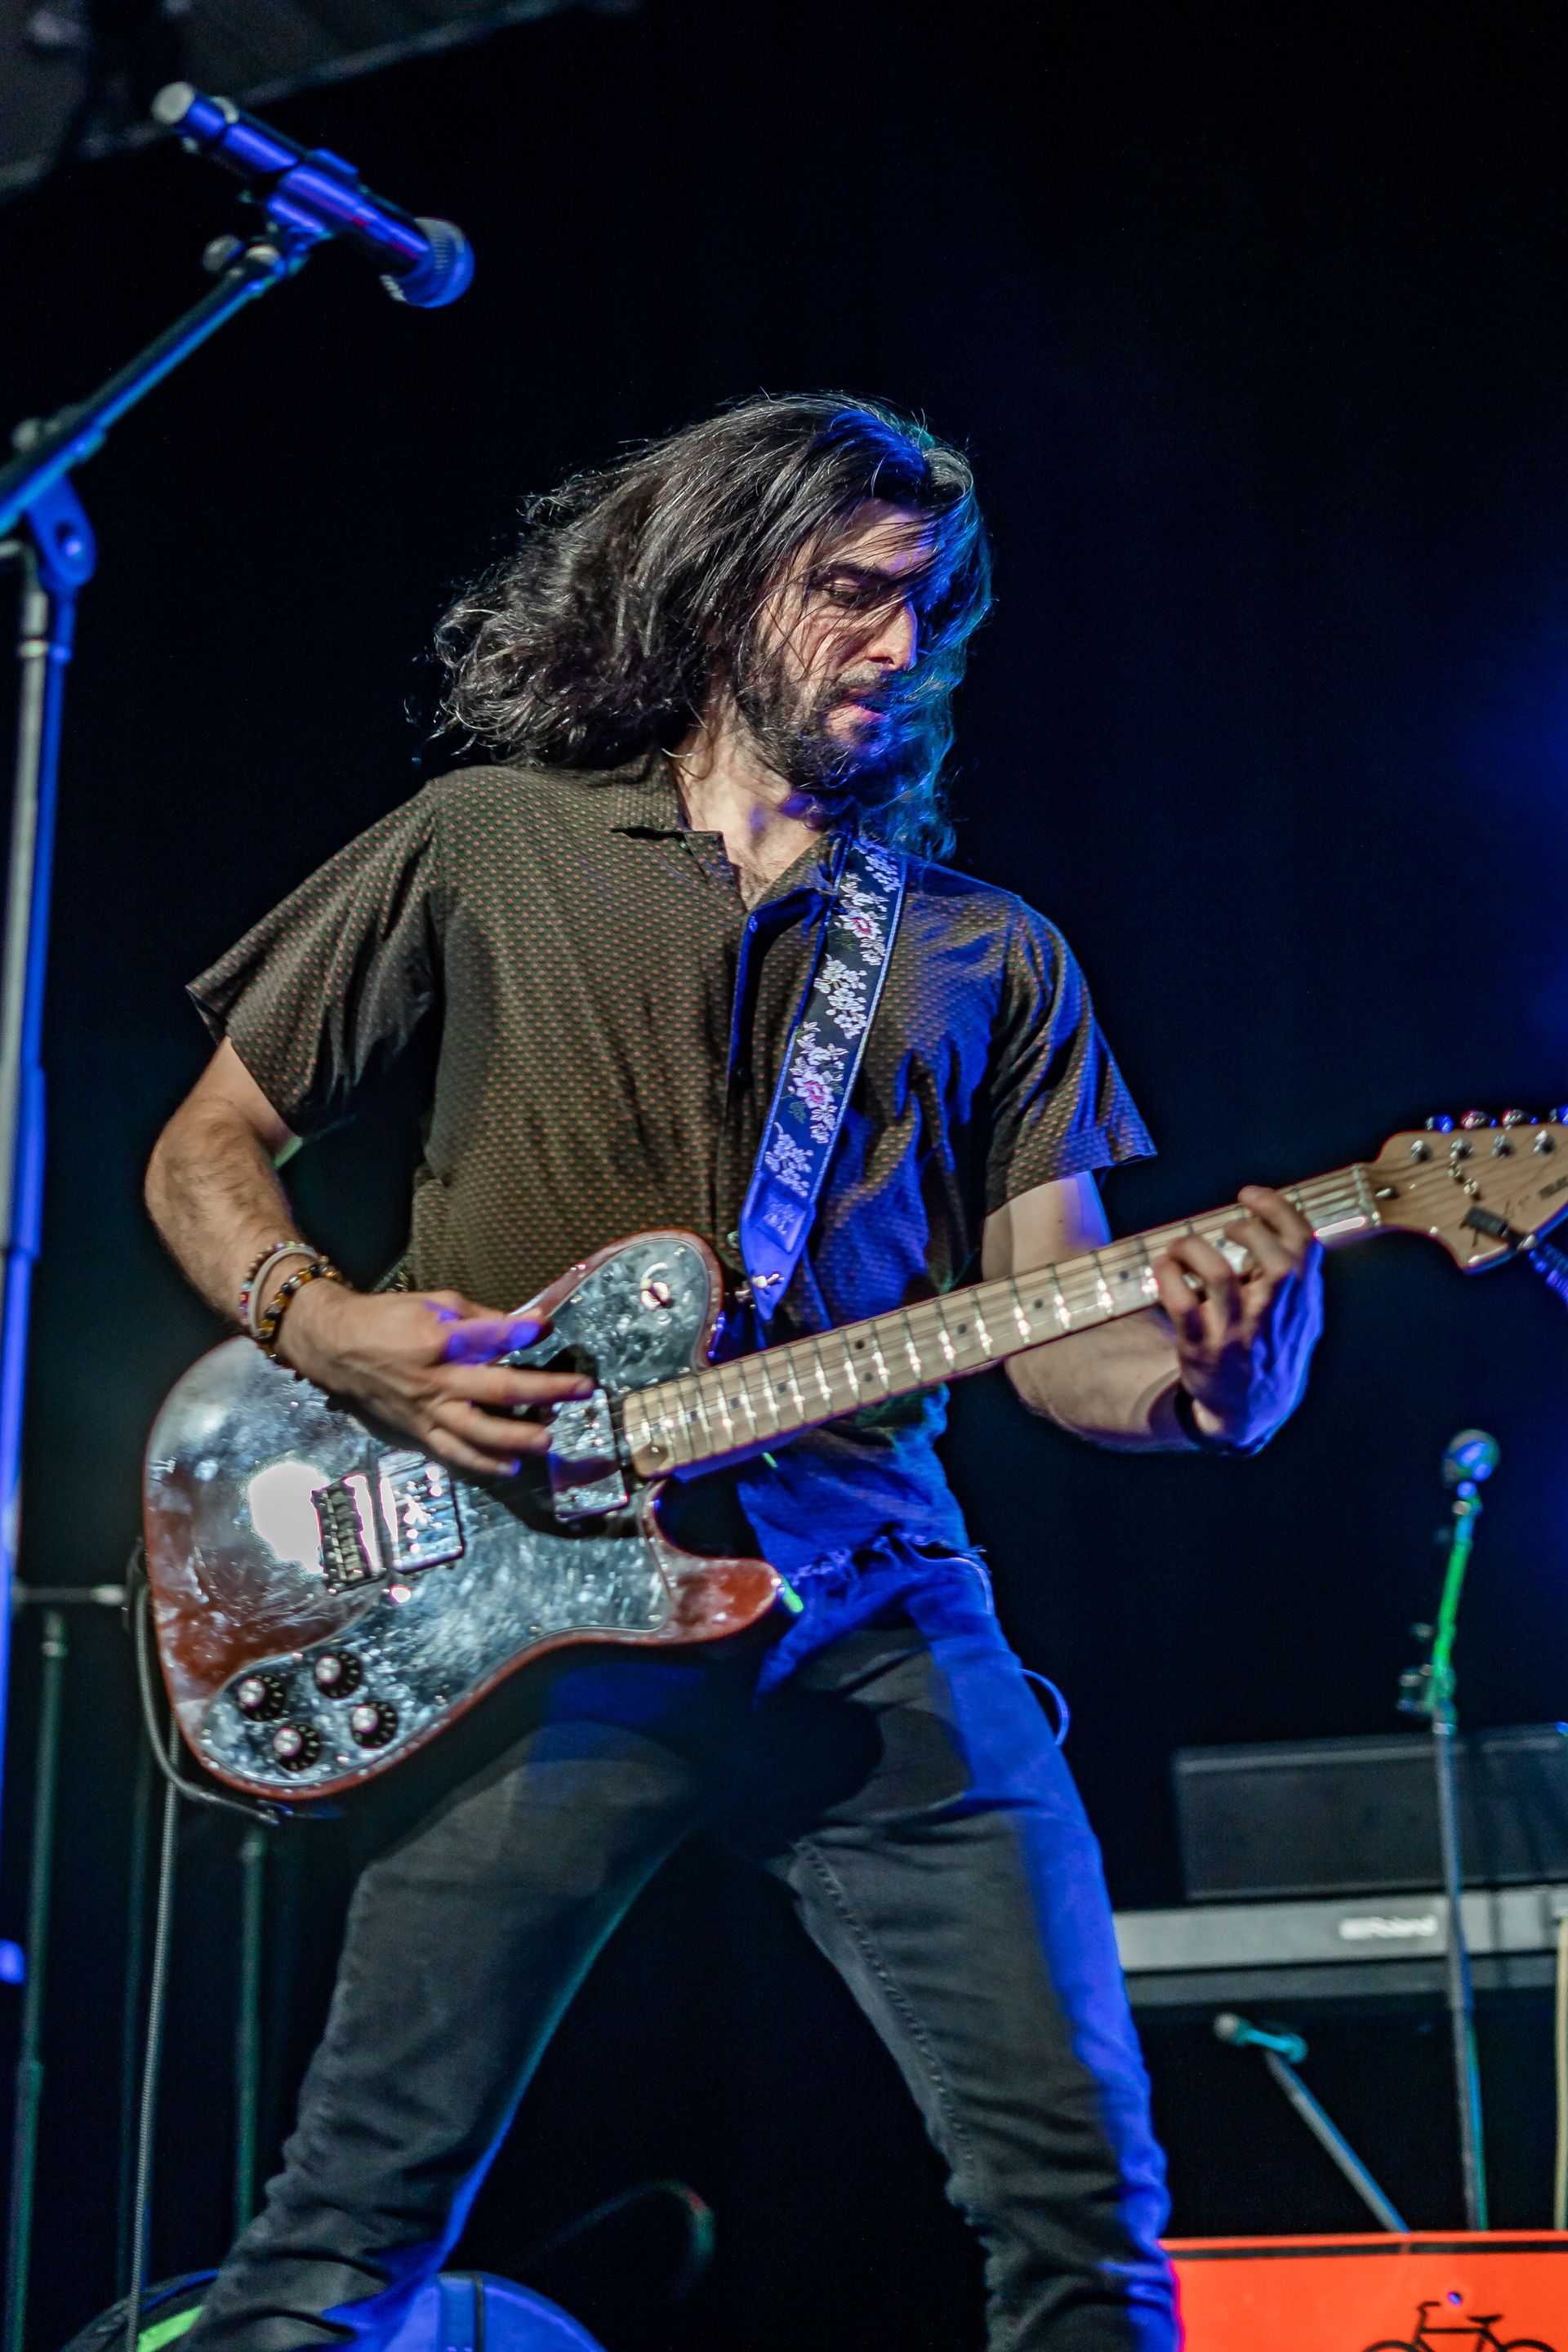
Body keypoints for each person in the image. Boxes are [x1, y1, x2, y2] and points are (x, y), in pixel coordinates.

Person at [145, 394, 1323, 2352]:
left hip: (878, 1607)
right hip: (526, 1595)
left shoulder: (986, 955)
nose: (896, 640)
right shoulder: (491, 843)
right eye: (848, 593)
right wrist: (323, 1321)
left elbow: (1061, 1341)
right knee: (346, 2237)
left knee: (1087, 2222)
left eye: (922, 606)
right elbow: (205, 1143)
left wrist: (1219, 1376)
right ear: (714, 593)